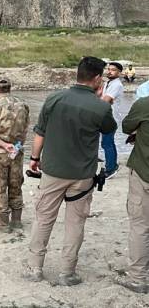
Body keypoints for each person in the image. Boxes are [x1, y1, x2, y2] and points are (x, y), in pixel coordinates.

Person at [24, 56, 116, 286]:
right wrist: (99, 100)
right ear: (96, 79)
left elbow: (40, 132)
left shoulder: (54, 98)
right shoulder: (101, 106)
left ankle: (35, 268)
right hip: (83, 176)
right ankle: (67, 272)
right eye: (102, 77)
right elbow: (109, 129)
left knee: (43, 219)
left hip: (53, 170)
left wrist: (34, 158)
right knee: (75, 224)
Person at [0, 75, 30, 229]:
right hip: (17, 151)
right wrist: (16, 145)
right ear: (10, 88)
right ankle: (16, 220)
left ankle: (2, 222)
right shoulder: (23, 105)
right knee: (15, 184)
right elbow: (25, 129)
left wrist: (4, 144)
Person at [116, 91, 149, 293]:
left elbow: (127, 126)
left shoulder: (144, 105)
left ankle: (138, 277)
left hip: (145, 173)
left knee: (140, 225)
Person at [101, 61, 124, 178]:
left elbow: (105, 100)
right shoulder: (108, 83)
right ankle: (112, 165)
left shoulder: (117, 85)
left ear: (119, 72)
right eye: (109, 69)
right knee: (108, 143)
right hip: (106, 116)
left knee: (107, 143)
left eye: (113, 69)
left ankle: (111, 169)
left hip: (111, 118)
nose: (109, 71)